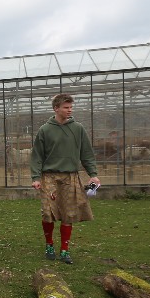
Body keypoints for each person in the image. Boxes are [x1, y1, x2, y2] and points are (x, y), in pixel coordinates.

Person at [29, 93, 101, 265]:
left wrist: (93, 174)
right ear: (56, 108)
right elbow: (37, 155)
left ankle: (64, 249)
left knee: (69, 213)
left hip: (70, 176)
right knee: (48, 212)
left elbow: (86, 153)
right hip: (49, 177)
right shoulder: (45, 130)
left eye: (71, 107)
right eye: (66, 107)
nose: (70, 110)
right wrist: (36, 177)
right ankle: (49, 245)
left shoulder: (78, 129)